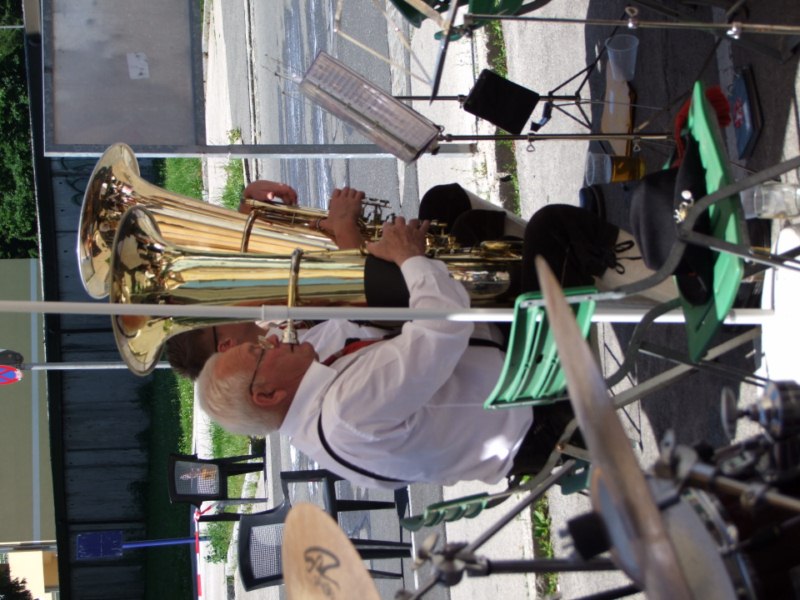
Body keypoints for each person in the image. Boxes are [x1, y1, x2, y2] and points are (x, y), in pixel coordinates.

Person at [196, 215, 576, 489]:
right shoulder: (346, 411)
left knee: (468, 228)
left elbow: (386, 331)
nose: (275, 339)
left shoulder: (318, 411)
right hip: (535, 404)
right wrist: (410, 257)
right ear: (268, 395)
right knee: (552, 230)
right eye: (262, 349)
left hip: (507, 382)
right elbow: (445, 325)